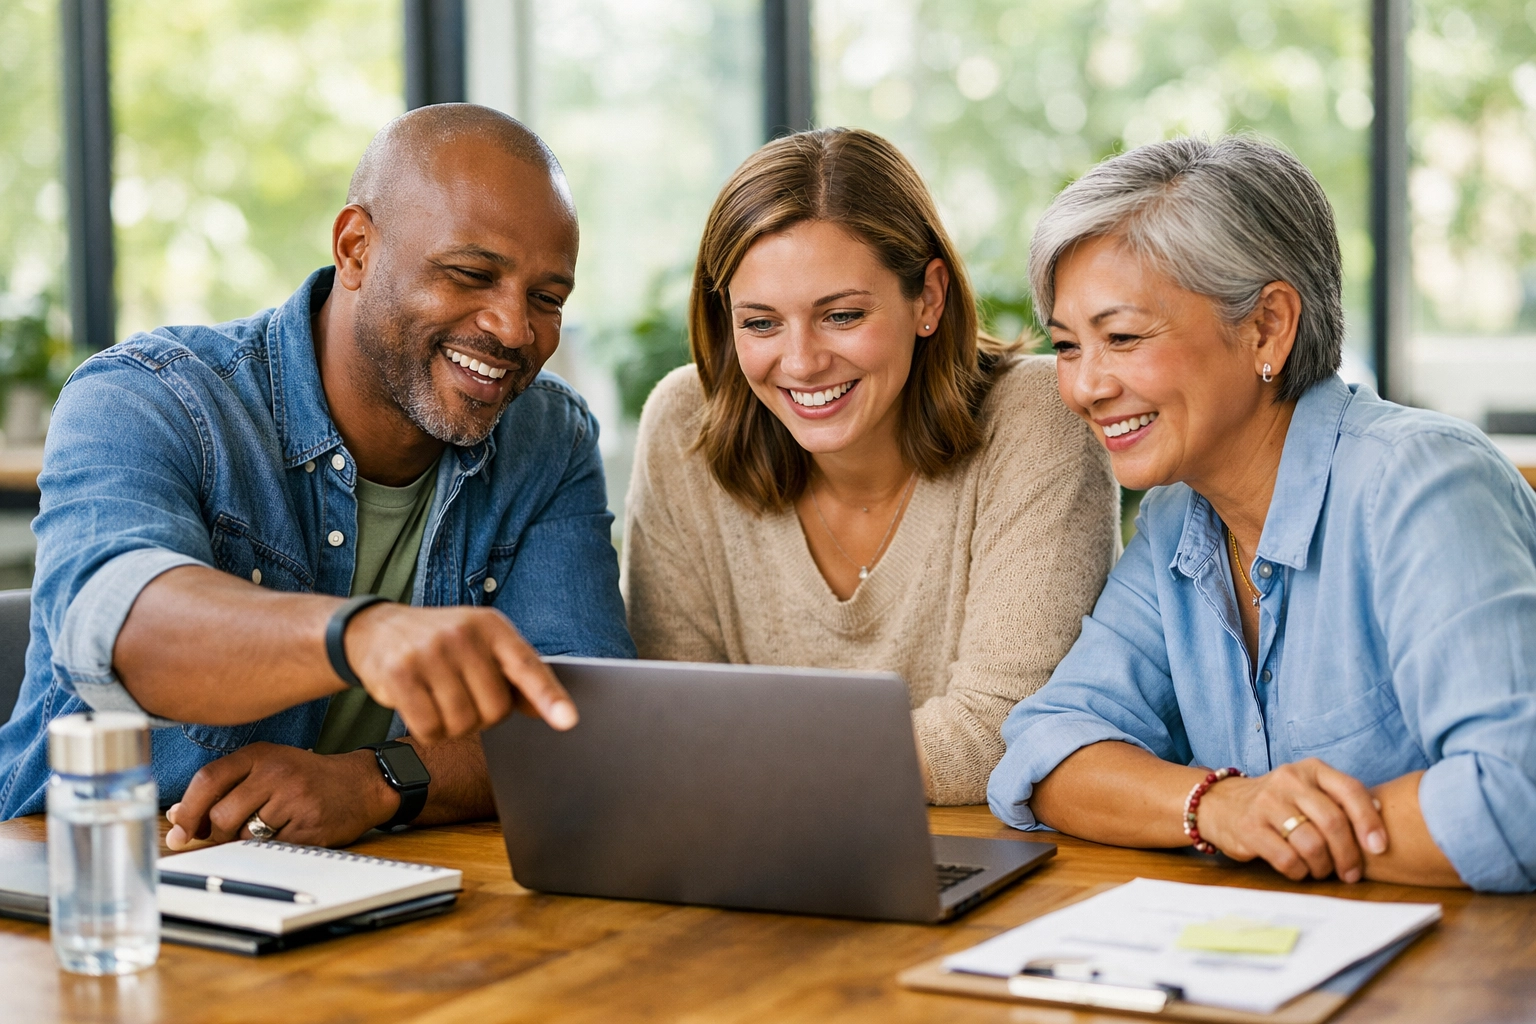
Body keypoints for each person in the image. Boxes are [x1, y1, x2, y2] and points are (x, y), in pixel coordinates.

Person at [0, 104, 635, 846]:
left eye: (547, 299)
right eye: (471, 274)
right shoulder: (147, 397)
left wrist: (375, 782)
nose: (514, 328)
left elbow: (578, 723)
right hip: (90, 873)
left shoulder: (547, 437)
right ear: (355, 248)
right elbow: (123, 631)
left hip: (361, 884)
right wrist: (360, 635)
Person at [986, 135, 1536, 892]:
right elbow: (1046, 751)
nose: (1084, 387)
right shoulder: (1179, 521)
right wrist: (1218, 807)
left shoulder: (1422, 484)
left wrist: (1278, 831)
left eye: (1122, 337)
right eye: (1068, 346)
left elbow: (1515, 794)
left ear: (1268, 326)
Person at [623, 128, 1119, 805]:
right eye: (761, 323)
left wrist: (734, 756)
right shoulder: (684, 423)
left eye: (842, 315)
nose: (801, 362)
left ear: (929, 298)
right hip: (747, 847)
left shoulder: (1034, 419)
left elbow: (1002, 733)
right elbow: (666, 722)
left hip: (980, 851)